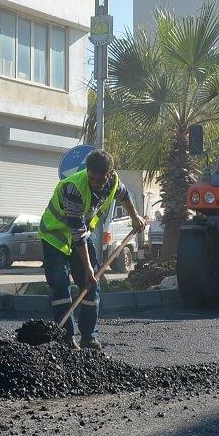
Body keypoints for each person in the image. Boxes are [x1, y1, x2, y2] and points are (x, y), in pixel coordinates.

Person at [39, 149, 145, 350]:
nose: (95, 183)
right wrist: (88, 268)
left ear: (110, 174)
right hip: (55, 237)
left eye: (100, 180)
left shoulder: (113, 182)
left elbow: (124, 196)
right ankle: (66, 338)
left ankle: (88, 336)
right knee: (61, 284)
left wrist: (135, 217)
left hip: (79, 236)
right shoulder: (74, 189)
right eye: (92, 178)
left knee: (91, 286)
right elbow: (77, 232)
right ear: (87, 172)